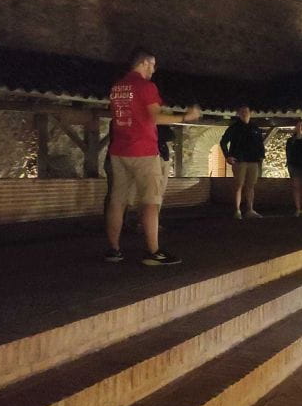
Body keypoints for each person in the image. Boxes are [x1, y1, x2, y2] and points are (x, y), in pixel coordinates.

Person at [105, 48, 200, 265]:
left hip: (119, 150)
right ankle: (153, 252)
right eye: (153, 64)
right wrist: (186, 116)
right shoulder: (145, 87)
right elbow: (155, 117)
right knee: (150, 201)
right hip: (144, 152)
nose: (154, 69)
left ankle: (113, 250)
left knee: (117, 201)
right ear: (145, 63)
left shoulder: (117, 87)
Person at [220, 105, 266, 219]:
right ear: (238, 114)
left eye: (246, 111)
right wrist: (228, 156)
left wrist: (261, 156)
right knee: (239, 185)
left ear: (250, 113)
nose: (244, 113)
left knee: (250, 186)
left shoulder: (255, 128)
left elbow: (260, 144)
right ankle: (237, 211)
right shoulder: (234, 128)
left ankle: (250, 210)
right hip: (239, 161)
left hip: (253, 161)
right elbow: (223, 142)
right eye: (242, 112)